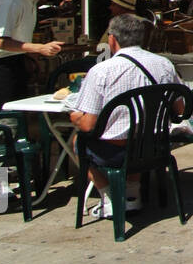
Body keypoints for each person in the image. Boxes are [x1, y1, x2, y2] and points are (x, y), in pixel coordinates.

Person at [67, 14, 180, 220]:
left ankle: (109, 197)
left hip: (117, 152)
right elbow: (179, 107)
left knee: (78, 141)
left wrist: (74, 116)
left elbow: (88, 125)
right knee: (134, 128)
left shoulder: (101, 71)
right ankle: (132, 193)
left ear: (112, 39)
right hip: (156, 146)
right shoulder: (164, 64)